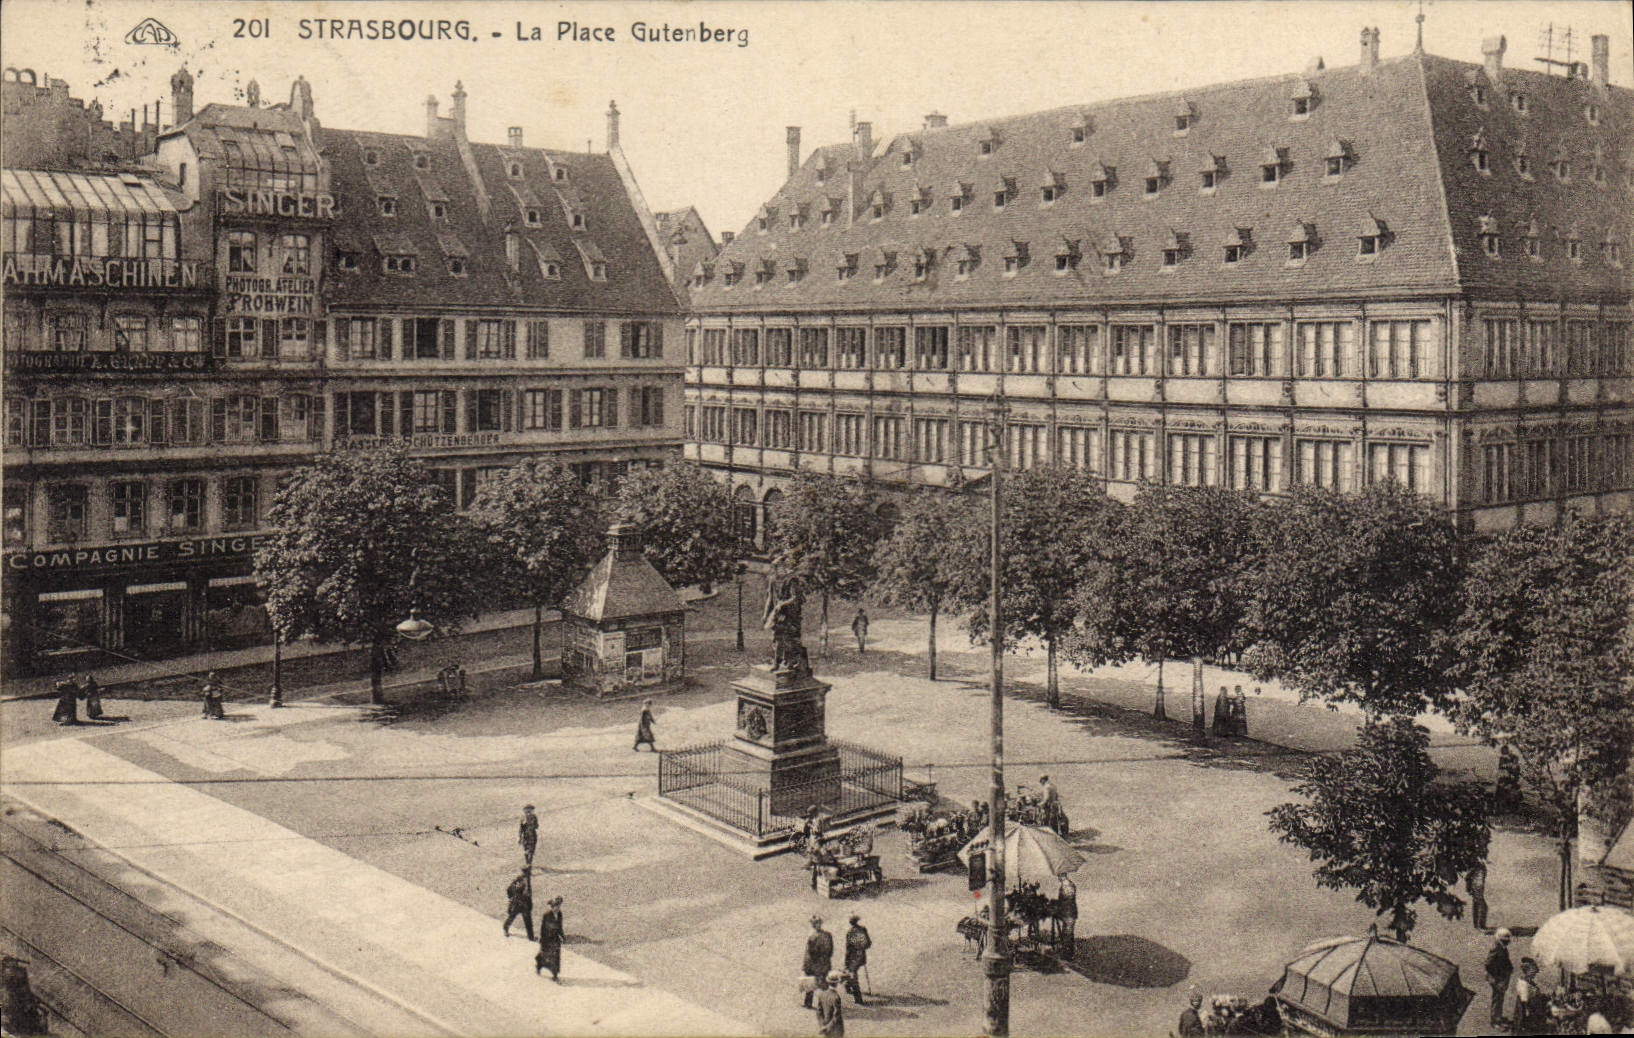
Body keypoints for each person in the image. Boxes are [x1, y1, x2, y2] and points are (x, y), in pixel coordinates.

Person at [801, 915, 834, 1008]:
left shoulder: (812, 936)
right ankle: (825, 1004)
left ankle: (808, 1003)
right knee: (824, 984)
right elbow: (831, 950)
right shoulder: (828, 935)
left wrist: (806, 966)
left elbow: (810, 952)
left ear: (813, 925)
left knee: (810, 982)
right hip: (825, 963)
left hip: (813, 964)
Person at [1486, 927, 1514, 1028]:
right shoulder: (1496, 949)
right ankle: (1494, 1021)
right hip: (1497, 979)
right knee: (1497, 999)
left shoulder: (1502, 948)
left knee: (1500, 999)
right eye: (1505, 940)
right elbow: (1488, 964)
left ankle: (1498, 1017)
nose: (1507, 942)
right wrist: (1497, 977)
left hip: (1501, 979)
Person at [1513, 957, 1547, 1035]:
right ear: (1527, 971)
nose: (1535, 974)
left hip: (1532, 1007)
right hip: (1526, 1009)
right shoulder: (1523, 984)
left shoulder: (1530, 982)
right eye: (1533, 972)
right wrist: (1527, 1011)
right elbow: (1524, 1001)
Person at [842, 915, 870, 1005]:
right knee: (852, 972)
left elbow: (848, 948)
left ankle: (858, 998)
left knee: (852, 974)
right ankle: (847, 986)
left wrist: (846, 960)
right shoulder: (863, 929)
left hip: (852, 957)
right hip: (861, 956)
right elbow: (868, 943)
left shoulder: (850, 932)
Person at [536, 895, 564, 981]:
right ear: (552, 907)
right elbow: (543, 928)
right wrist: (542, 939)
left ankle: (555, 974)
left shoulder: (559, 914)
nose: (558, 908)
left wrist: (562, 936)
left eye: (559, 906)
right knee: (545, 955)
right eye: (556, 906)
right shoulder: (547, 915)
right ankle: (539, 965)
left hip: (555, 939)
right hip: (547, 939)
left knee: (555, 956)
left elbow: (560, 926)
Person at [503, 868, 534, 940]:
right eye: (527, 872)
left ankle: (531, 937)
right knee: (512, 916)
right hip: (518, 903)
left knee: (528, 920)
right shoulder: (519, 880)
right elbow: (509, 889)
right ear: (524, 872)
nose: (528, 874)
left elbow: (528, 893)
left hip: (525, 904)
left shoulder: (527, 880)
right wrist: (512, 899)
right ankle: (505, 928)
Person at [814, 970, 845, 1036]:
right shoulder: (836, 997)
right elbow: (836, 1016)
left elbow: (819, 1012)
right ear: (837, 984)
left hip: (825, 1026)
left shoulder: (822, 994)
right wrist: (828, 1027)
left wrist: (822, 1026)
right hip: (836, 1029)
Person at [1055, 875, 1078, 956]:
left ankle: (1068, 955)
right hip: (1067, 913)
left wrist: (1059, 904)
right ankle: (1067, 954)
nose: (1058, 878)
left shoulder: (1068, 885)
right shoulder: (1066, 885)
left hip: (1069, 913)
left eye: (1059, 876)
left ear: (1062, 876)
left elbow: (1067, 898)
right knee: (1066, 933)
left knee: (1068, 933)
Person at [1467, 861, 1489, 931]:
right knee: (1481, 905)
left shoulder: (1478, 864)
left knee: (1477, 904)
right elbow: (1468, 876)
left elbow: (1468, 876)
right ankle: (1480, 925)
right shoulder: (1478, 864)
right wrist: (1469, 887)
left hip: (1477, 886)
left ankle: (1477, 924)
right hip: (1477, 886)